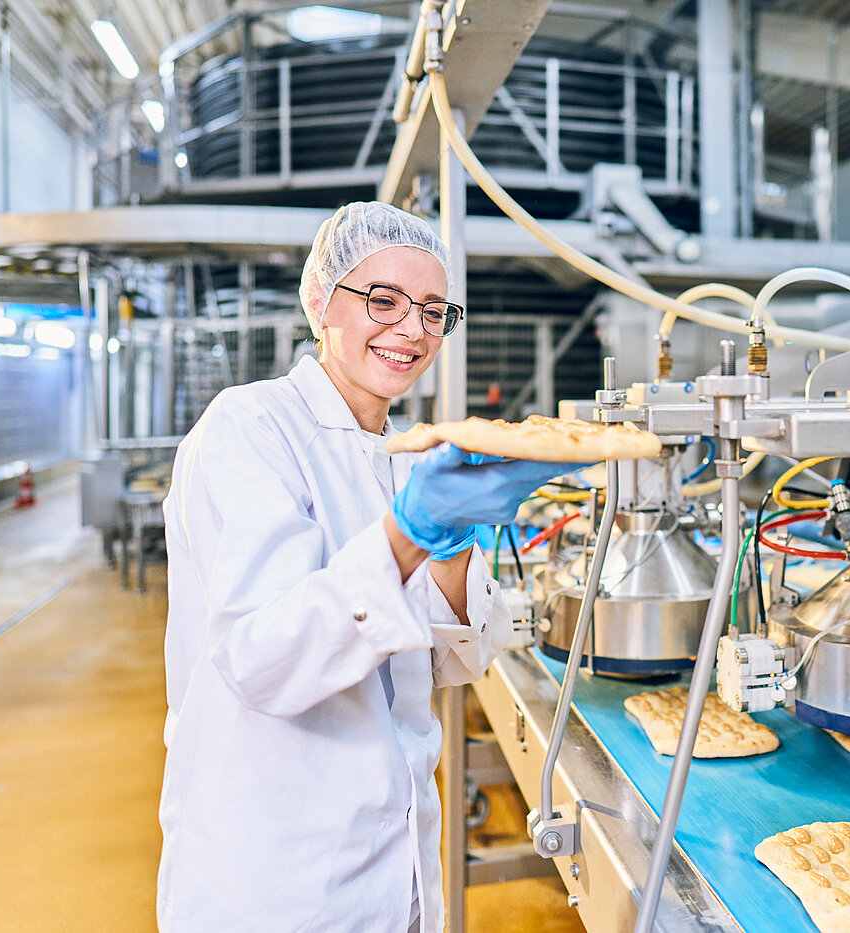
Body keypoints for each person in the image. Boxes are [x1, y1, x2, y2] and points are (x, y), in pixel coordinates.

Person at [158, 202, 578, 932]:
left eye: (434, 311)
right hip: (277, 878)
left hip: (398, 864)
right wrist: (411, 531)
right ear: (321, 301)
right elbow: (268, 660)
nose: (412, 330)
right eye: (383, 300)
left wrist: (455, 542)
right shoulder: (247, 428)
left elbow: (454, 658)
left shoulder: (409, 450)